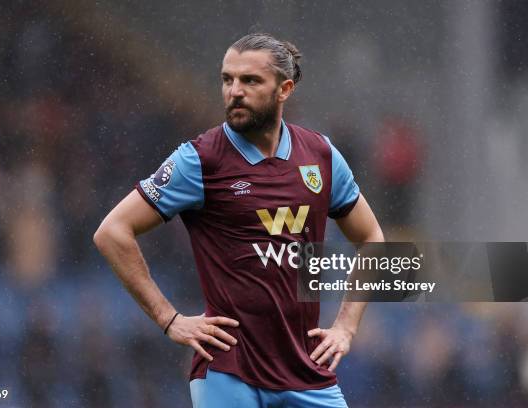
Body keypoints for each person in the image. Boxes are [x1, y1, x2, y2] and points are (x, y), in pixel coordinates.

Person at [94, 33, 384, 408]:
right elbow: (112, 232)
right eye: (227, 79)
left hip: (307, 371)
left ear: (285, 89)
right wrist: (169, 319)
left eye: (250, 81)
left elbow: (372, 236)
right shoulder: (199, 160)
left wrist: (346, 326)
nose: (234, 91)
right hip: (228, 373)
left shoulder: (322, 156)